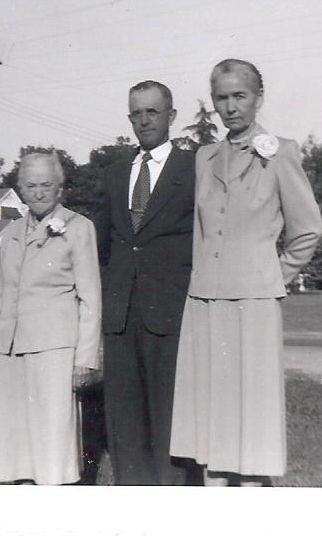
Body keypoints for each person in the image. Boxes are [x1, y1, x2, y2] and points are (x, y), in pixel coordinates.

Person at [170, 58, 322, 486]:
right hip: (205, 301)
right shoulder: (204, 157)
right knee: (212, 418)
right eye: (222, 97)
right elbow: (201, 232)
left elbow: (308, 229)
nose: (231, 106)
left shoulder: (281, 152)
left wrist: (273, 274)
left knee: (252, 421)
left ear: (259, 98)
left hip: (254, 303)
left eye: (240, 96)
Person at [94, 80, 196, 485]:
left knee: (168, 415)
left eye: (152, 112)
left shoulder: (192, 168)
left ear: (171, 116)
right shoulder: (114, 173)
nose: (143, 120)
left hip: (170, 313)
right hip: (120, 315)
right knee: (124, 418)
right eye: (136, 113)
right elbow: (101, 245)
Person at [0, 151, 102, 485]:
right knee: (14, 440)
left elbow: (90, 298)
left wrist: (86, 358)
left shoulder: (79, 228)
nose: (38, 192)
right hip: (9, 350)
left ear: (60, 188)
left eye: (46, 185)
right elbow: (2, 295)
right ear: (21, 189)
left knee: (52, 437)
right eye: (31, 185)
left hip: (55, 349)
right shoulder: (11, 234)